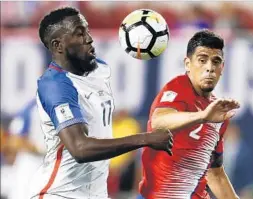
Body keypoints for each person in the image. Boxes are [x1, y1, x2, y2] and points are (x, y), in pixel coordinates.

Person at [28, 7, 173, 199]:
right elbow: (80, 148)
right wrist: (146, 139)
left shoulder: (99, 70)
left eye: (87, 30)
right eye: (79, 34)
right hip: (60, 194)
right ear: (58, 46)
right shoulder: (55, 85)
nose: (89, 38)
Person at [138, 30, 240, 199]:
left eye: (216, 61)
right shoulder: (178, 88)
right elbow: (159, 121)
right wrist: (202, 116)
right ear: (187, 64)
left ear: (222, 68)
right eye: (202, 60)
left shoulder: (218, 112)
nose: (210, 68)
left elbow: (215, 174)